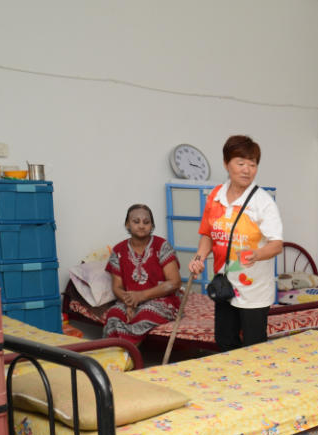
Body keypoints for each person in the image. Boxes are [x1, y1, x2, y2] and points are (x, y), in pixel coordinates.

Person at [189, 135, 283, 351]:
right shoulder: (215, 197)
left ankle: (255, 385)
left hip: (254, 291)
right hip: (225, 285)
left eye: (252, 164)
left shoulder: (263, 203)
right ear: (226, 163)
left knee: (253, 349)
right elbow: (207, 234)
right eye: (240, 163)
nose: (247, 170)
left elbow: (276, 244)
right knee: (225, 344)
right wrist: (198, 258)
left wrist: (257, 255)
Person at [103, 204, 182, 344]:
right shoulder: (118, 251)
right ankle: (111, 356)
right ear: (127, 224)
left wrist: (141, 296)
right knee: (114, 314)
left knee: (145, 314)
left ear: (152, 226)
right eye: (136, 221)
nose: (141, 225)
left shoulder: (162, 246)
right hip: (129, 300)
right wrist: (130, 302)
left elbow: (174, 282)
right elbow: (117, 287)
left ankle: (127, 358)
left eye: (146, 222)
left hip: (161, 300)